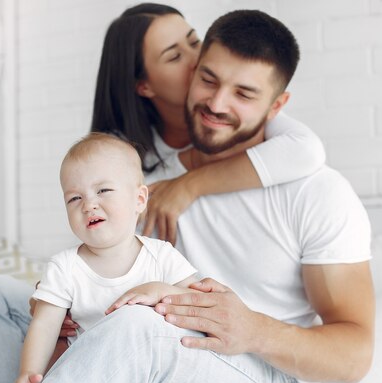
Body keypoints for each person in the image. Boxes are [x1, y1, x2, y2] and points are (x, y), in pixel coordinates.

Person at [0, 9, 373, 383]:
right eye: (208, 80)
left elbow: (355, 358)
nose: (217, 104)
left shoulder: (315, 191)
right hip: (168, 364)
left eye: (244, 94)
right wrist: (68, 305)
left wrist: (253, 329)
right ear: (194, 73)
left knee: (137, 327)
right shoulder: (148, 180)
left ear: (276, 106)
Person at [91, 3, 326, 245]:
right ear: (143, 86)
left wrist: (188, 185)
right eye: (174, 56)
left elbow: (306, 150)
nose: (197, 59)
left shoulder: (243, 117)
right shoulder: (120, 157)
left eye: (194, 42)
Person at [0, 133, 201, 383]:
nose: (88, 204)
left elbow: (197, 303)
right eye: (74, 198)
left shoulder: (162, 256)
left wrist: (161, 290)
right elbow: (44, 326)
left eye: (103, 191)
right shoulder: (65, 266)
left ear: (139, 199)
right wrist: (28, 374)